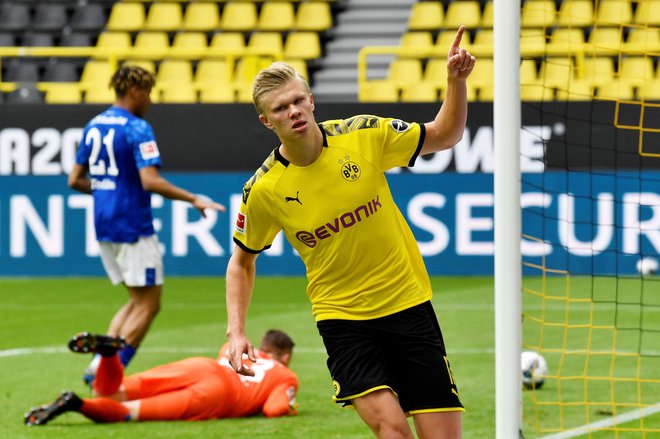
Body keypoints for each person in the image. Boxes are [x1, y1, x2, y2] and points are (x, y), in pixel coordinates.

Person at [225, 26, 475, 439]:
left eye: (297, 100)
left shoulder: (362, 135)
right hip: (343, 319)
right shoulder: (264, 190)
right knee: (392, 430)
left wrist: (455, 82)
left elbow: (445, 134)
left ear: (311, 100)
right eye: (281, 108)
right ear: (266, 121)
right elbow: (241, 262)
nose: (293, 111)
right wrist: (236, 331)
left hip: (408, 304)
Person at [68, 65, 225, 385]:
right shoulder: (137, 128)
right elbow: (150, 181)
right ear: (135, 91)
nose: (150, 100)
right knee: (150, 304)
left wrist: (106, 190)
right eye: (149, 92)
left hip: (104, 222)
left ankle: (98, 365)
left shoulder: (94, 125)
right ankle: (110, 374)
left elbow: (75, 179)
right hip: (131, 222)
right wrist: (193, 199)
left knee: (137, 300)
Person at [24, 329, 298, 425]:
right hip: (218, 394)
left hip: (201, 367)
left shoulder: (235, 347)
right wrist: (291, 407)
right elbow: (275, 409)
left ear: (264, 346)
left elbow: (226, 359)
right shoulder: (285, 375)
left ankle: (108, 355)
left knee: (109, 391)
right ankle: (75, 404)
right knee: (125, 411)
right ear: (284, 357)